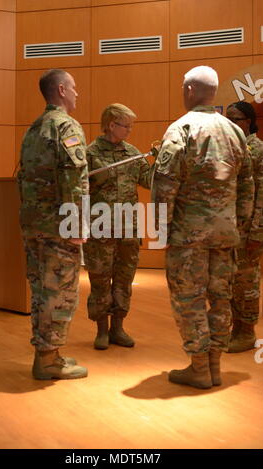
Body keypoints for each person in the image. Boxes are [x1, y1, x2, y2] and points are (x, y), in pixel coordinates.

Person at [152, 66, 254, 389]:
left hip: (189, 236)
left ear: (189, 90)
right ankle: (214, 365)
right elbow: (247, 184)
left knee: (189, 298)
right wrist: (238, 223)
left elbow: (164, 186)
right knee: (220, 298)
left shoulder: (180, 130)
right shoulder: (235, 132)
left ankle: (198, 366)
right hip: (225, 234)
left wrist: (162, 230)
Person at [17, 69, 89, 380]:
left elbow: (22, 177)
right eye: (73, 88)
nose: (77, 93)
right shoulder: (66, 126)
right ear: (61, 90)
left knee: (42, 290)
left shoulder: (34, 128)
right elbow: (74, 180)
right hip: (58, 226)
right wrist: (76, 225)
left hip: (34, 224)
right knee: (59, 292)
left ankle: (50, 353)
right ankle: (47, 360)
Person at [83, 103, 154, 350]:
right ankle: (102, 330)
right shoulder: (90, 154)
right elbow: (79, 189)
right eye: (126, 126)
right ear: (111, 125)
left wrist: (164, 159)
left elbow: (150, 180)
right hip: (100, 229)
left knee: (124, 280)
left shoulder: (132, 152)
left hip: (128, 228)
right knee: (101, 280)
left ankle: (118, 328)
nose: (130, 131)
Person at [226, 101, 263, 352]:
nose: (230, 123)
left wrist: (257, 231)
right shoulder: (231, 148)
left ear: (248, 121)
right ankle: (236, 327)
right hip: (229, 228)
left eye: (235, 119)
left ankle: (247, 331)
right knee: (231, 281)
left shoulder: (258, 149)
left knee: (247, 282)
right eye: (227, 118)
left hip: (249, 228)